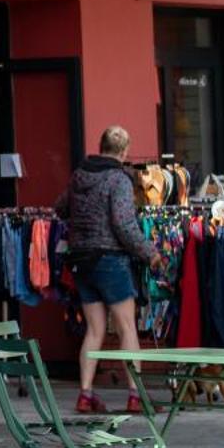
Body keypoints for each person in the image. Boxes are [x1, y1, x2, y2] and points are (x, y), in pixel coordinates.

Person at [56, 124, 156, 414]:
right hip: (110, 259)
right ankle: (136, 395)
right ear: (124, 152)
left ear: (101, 147)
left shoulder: (79, 176)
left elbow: (60, 207)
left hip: (81, 260)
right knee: (127, 327)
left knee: (95, 329)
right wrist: (150, 253)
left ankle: (85, 394)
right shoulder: (118, 179)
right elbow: (124, 224)